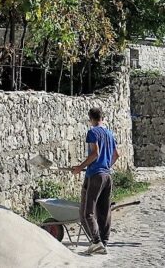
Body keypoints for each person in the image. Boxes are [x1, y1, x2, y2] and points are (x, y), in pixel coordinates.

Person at [71, 106, 119, 255]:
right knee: (104, 211)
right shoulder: (109, 133)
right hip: (107, 175)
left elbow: (95, 153)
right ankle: (104, 242)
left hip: (95, 175)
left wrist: (79, 167)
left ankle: (96, 241)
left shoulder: (92, 132)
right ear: (102, 118)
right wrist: (106, 166)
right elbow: (117, 154)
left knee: (87, 212)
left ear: (90, 119)